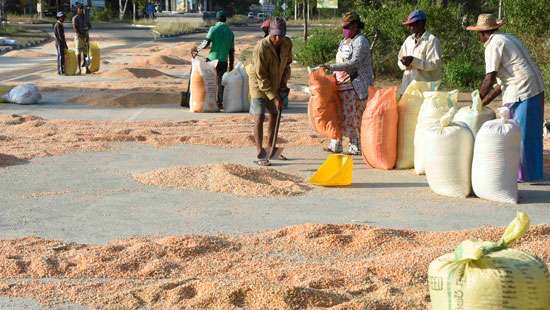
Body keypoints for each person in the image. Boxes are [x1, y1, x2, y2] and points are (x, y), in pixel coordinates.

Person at [467, 14, 545, 182]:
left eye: (478, 33)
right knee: (531, 134)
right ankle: (532, 173)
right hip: (534, 86)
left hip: (523, 90)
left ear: (482, 33)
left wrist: (477, 101)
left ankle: (525, 175)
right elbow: (502, 83)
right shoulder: (508, 38)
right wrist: (485, 101)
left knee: (519, 135)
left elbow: (490, 78)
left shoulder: (493, 44)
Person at [320, 12, 374, 155]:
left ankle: (354, 144)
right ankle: (336, 143)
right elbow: (340, 59)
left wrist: (332, 67)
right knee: (337, 114)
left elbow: (353, 64)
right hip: (340, 84)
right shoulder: (344, 41)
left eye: (347, 27)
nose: (345, 30)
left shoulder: (360, 41)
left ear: (355, 26)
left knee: (352, 116)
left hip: (354, 85)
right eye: (343, 27)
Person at [248, 17, 292, 166]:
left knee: (274, 114)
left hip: (276, 81)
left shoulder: (287, 44)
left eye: (281, 35)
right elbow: (261, 77)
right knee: (260, 116)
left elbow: (287, 65)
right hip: (259, 84)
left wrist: (283, 83)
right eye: (275, 35)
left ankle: (271, 148)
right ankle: (260, 151)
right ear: (270, 32)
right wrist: (274, 97)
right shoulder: (261, 47)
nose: (278, 38)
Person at [192, 11, 235, 110]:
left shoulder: (213, 29)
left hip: (212, 61)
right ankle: (219, 103)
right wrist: (231, 65)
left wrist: (197, 49)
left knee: (208, 81)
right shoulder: (230, 33)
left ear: (217, 19)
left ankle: (207, 101)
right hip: (223, 61)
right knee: (220, 83)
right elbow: (231, 51)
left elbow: (206, 43)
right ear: (225, 19)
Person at [398, 10, 442, 95]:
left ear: (421, 23)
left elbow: (434, 64)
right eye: (409, 25)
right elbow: (399, 58)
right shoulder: (408, 40)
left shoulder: (432, 41)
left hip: (424, 91)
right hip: (407, 88)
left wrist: (414, 61)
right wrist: (404, 63)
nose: (409, 27)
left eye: (412, 24)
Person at [72, 4, 91, 74]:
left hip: (86, 37)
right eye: (80, 9)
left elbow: (89, 26)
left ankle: (86, 68)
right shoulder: (75, 18)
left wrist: (87, 29)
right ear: (77, 10)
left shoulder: (86, 17)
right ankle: (79, 69)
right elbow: (75, 29)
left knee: (86, 53)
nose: (81, 10)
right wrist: (81, 35)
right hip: (79, 38)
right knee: (79, 53)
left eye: (82, 9)